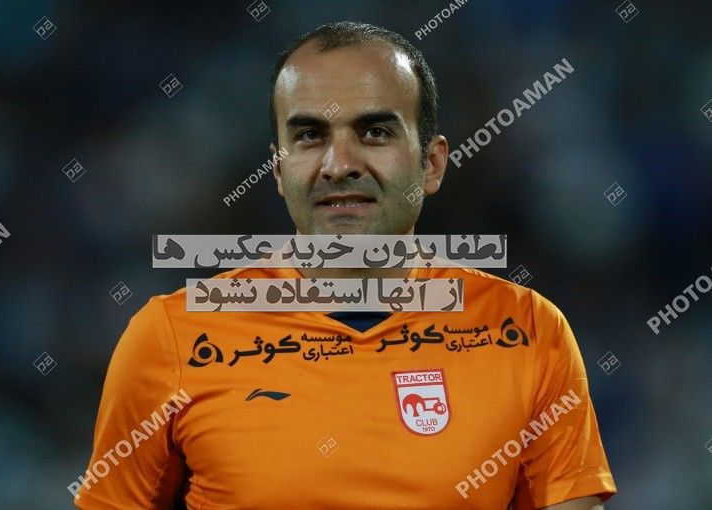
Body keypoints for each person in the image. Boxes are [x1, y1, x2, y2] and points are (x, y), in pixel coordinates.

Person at [73, 21, 617, 509]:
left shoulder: (527, 331)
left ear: (431, 164)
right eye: (309, 136)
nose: (338, 165)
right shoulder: (170, 338)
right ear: (278, 170)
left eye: (375, 132)